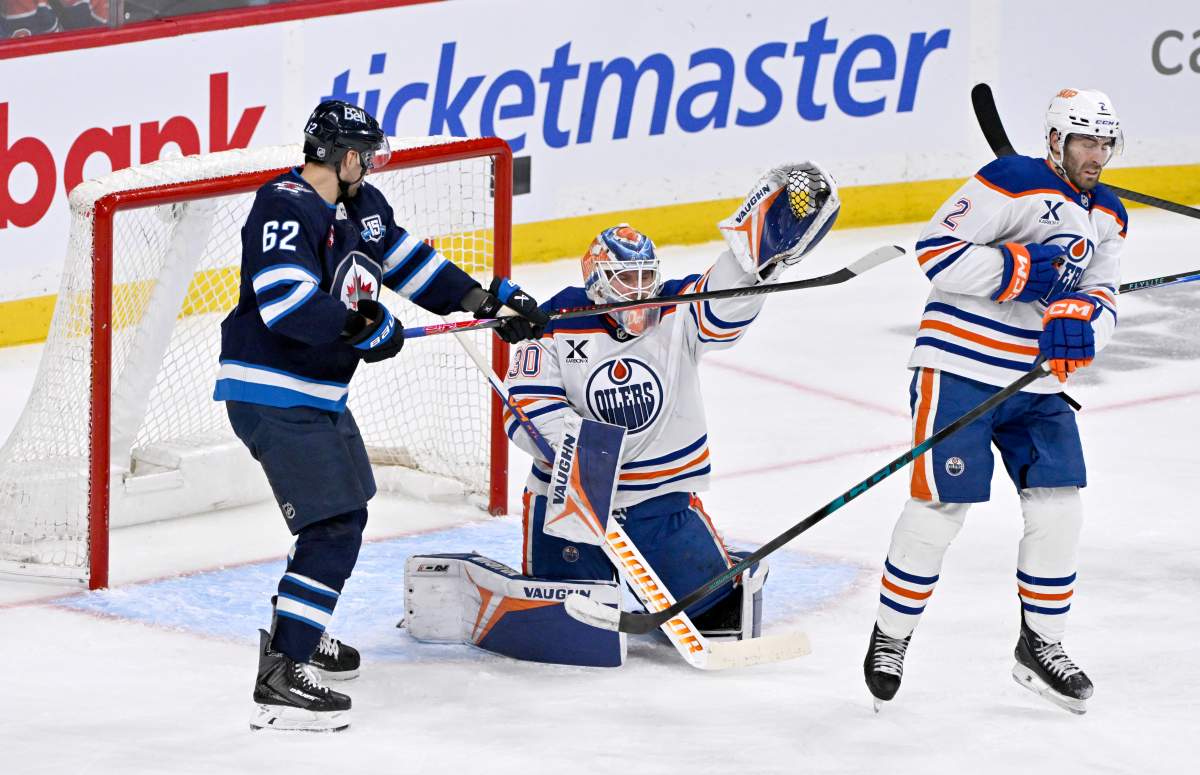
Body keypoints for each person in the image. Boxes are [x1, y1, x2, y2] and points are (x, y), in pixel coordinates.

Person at [213, 99, 547, 732]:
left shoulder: (364, 208)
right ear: (344, 156)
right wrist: (362, 325)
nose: (371, 164)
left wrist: (481, 299)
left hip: (317, 396)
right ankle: (282, 672)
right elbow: (287, 305)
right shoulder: (283, 205)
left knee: (345, 514)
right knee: (333, 523)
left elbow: (408, 264)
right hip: (270, 393)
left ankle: (301, 635)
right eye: (366, 154)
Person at [863, 89, 1127, 715]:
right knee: (939, 512)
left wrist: (1085, 324)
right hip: (958, 368)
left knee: (1060, 509)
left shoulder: (1109, 213)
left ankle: (1041, 645)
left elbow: (1106, 294)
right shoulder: (1010, 179)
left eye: (1105, 143)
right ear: (1057, 140)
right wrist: (1018, 270)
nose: (1096, 154)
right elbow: (936, 252)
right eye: (1085, 141)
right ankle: (890, 638)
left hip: (1036, 384)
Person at [503, 163, 840, 649]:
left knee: (720, 617)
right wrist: (586, 459)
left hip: (659, 502)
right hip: (569, 504)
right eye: (625, 280)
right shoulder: (556, 322)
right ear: (596, 279)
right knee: (567, 634)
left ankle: (723, 563)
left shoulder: (676, 309)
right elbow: (528, 409)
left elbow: (722, 309)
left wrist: (751, 262)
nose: (640, 292)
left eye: (646, 277)